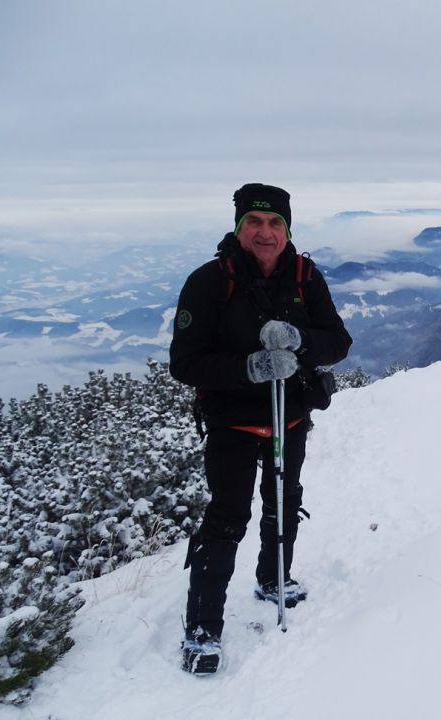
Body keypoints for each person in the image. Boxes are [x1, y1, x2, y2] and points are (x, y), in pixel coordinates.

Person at [169, 183, 352, 675]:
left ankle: (274, 579)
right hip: (233, 421)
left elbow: (338, 340)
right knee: (228, 516)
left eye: (275, 223)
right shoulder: (210, 282)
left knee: (284, 498)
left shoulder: (304, 276)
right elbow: (185, 363)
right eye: (255, 222)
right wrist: (248, 367)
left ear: (287, 229)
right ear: (238, 227)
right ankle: (203, 628)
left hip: (290, 415)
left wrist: (300, 340)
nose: (266, 232)